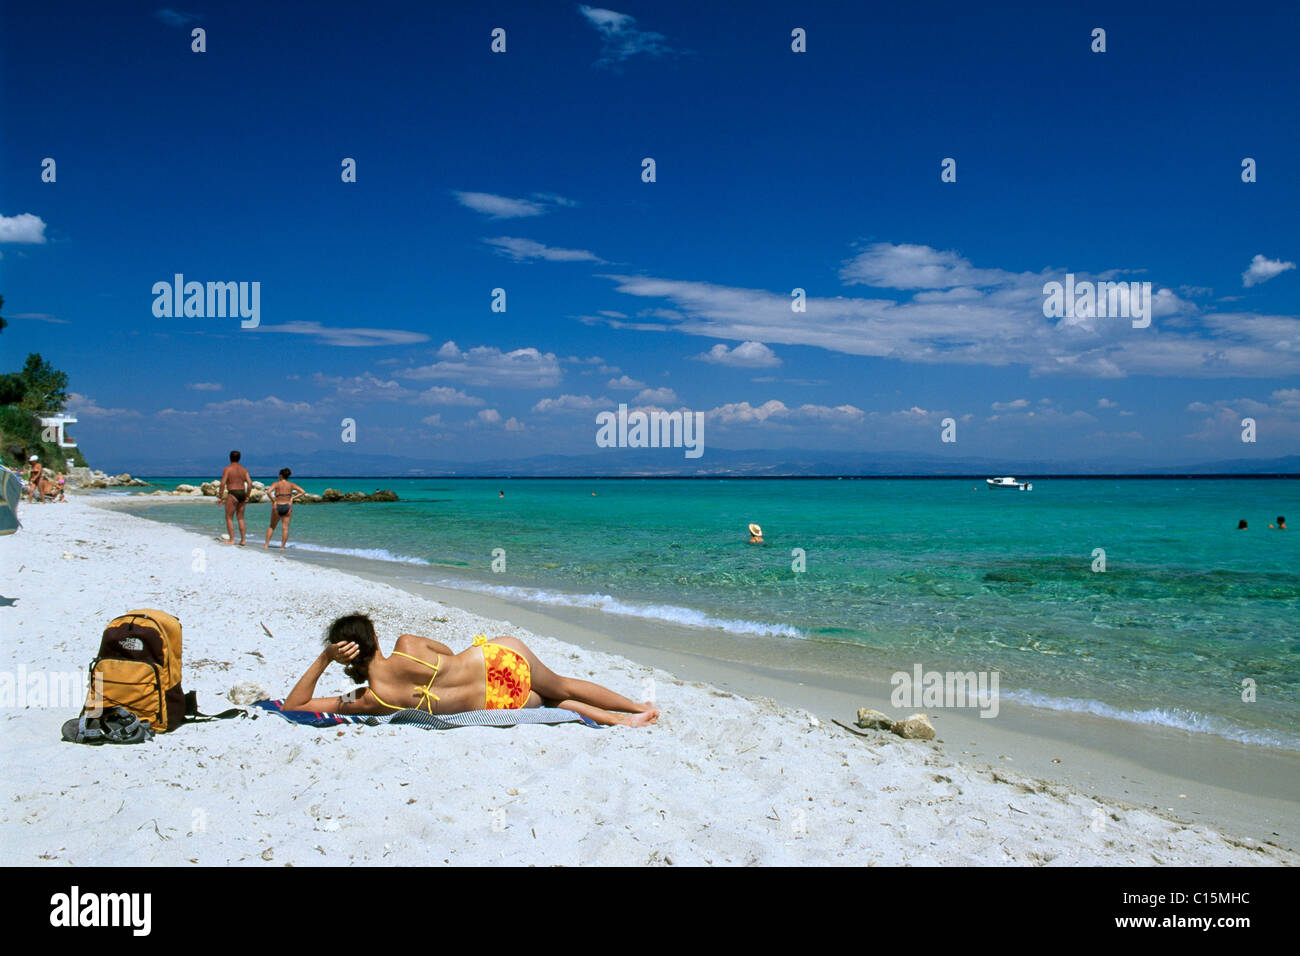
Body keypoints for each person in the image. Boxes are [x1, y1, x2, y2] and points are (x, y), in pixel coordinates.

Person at [284, 614, 660, 727]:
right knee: (562, 684)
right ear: (375, 638)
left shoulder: (369, 699)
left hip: (501, 699)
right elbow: (447, 652)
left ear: (346, 657)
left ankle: (623, 723)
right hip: (497, 658)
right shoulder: (408, 645)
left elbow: (295, 705)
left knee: (554, 703)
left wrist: (323, 660)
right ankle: (635, 707)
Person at [264, 468, 305, 550]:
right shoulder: (291, 484)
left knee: (272, 526)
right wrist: (292, 498)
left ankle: (266, 545)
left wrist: (274, 501)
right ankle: (282, 547)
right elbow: (303, 492)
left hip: (277, 505)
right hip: (287, 506)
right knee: (285, 528)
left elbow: (268, 492)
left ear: (280, 475)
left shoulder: (276, 483)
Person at [219, 450, 253, 545]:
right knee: (240, 518)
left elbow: (222, 483)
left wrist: (220, 497)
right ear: (239, 458)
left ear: (230, 458)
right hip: (242, 493)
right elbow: (250, 484)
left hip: (233, 493)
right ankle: (243, 540)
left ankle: (232, 540)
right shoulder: (244, 470)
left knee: (229, 517)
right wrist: (247, 496)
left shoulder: (228, 469)